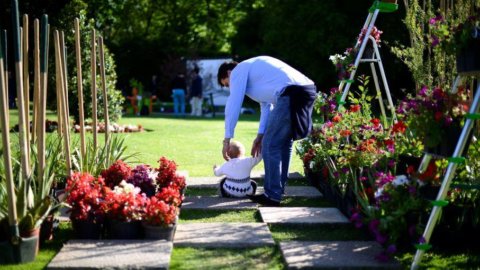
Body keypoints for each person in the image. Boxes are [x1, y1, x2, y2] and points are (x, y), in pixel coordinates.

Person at [217, 56, 317, 206]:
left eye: (226, 84)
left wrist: (227, 139)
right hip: (306, 89)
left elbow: (234, 104)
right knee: (283, 142)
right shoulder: (257, 77)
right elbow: (266, 106)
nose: (229, 87)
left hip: (291, 93)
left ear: (229, 73)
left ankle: (272, 195)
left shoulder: (238, 71)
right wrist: (259, 136)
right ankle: (278, 189)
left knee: (270, 145)